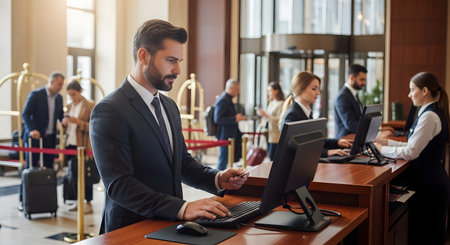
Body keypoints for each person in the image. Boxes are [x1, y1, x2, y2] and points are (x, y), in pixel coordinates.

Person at [89, 19, 248, 234]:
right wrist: (183, 208)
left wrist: (218, 178)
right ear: (143, 56)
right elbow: (120, 185)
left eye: (179, 60)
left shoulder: (169, 105)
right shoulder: (110, 110)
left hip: (169, 226)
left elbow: (181, 163)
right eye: (171, 60)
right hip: (130, 231)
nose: (178, 70)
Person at [375, 72, 450, 245]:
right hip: (431, 183)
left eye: (412, 90)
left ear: (424, 91)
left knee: (426, 238)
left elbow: (411, 152)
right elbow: (413, 145)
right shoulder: (430, 113)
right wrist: (386, 142)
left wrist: (381, 150)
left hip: (431, 187)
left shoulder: (429, 116)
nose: (409, 95)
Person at [19, 72, 64, 211]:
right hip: (34, 139)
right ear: (51, 82)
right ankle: (24, 200)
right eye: (59, 84)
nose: (61, 87)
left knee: (49, 170)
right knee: (30, 168)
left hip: (50, 139)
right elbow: (25, 114)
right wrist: (32, 129)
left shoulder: (59, 98)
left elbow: (60, 116)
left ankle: (46, 201)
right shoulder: (36, 95)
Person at [281, 71, 352, 157]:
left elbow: (314, 140)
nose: (318, 93)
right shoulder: (292, 115)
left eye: (318, 89)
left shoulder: (305, 112)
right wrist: (327, 152)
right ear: (300, 89)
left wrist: (337, 142)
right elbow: (298, 148)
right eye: (314, 89)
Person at [61, 80, 95, 214]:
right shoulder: (69, 106)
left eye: (73, 94)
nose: (72, 97)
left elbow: (93, 126)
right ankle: (77, 201)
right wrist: (64, 123)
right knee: (73, 174)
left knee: (85, 174)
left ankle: (88, 202)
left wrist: (78, 122)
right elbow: (65, 124)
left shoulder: (90, 106)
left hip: (83, 145)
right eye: (69, 95)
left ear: (80, 91)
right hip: (70, 143)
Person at [214, 79, 246, 170]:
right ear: (231, 88)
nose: (238, 91)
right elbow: (218, 119)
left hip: (230, 136)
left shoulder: (228, 99)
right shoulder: (223, 100)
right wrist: (235, 118)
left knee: (227, 160)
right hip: (225, 136)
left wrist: (236, 117)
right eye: (237, 89)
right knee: (223, 160)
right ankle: (217, 181)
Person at [334, 64, 367, 138]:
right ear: (352, 77)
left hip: (355, 137)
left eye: (365, 80)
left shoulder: (353, 94)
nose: (364, 83)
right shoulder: (342, 97)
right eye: (362, 79)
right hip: (345, 140)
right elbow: (350, 124)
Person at [256, 82, 285, 160]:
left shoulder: (281, 103)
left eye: (270, 90)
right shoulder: (271, 102)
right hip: (269, 134)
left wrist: (266, 115)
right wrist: (263, 116)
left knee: (273, 158)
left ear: (276, 91)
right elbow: (268, 117)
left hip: (276, 136)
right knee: (270, 157)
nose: (268, 93)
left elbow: (280, 120)